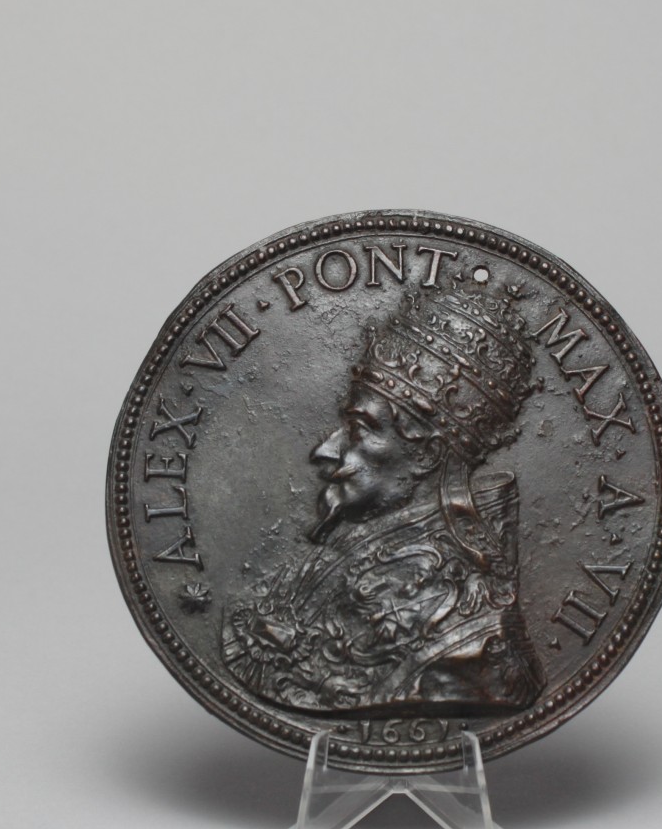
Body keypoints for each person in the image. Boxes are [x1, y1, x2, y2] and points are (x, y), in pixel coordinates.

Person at [222, 288, 545, 716]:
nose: (325, 450)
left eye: (359, 429)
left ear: (426, 455)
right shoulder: (344, 556)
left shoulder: (470, 636)